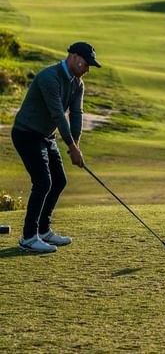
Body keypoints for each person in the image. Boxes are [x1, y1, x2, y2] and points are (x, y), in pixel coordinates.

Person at [11, 42, 101, 254]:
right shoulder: (49, 77)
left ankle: (43, 230)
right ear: (73, 56)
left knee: (59, 180)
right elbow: (58, 115)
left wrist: (75, 145)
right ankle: (28, 237)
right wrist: (71, 146)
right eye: (85, 63)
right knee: (43, 181)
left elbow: (76, 114)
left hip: (46, 136)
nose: (87, 68)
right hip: (26, 133)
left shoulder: (77, 83)